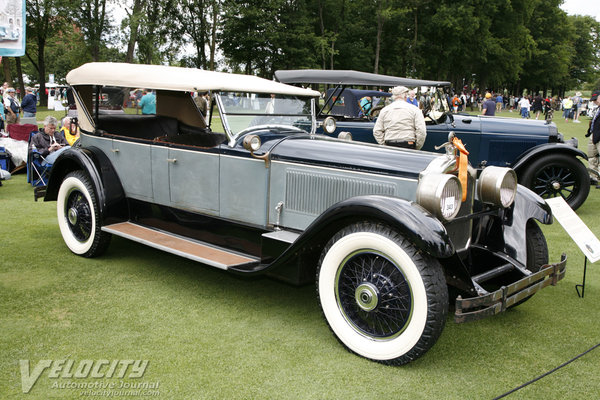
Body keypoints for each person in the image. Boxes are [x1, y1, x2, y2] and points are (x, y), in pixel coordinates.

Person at [373, 85, 426, 150]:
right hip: (409, 143)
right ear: (405, 96)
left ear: (393, 97)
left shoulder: (384, 110)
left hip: (390, 143)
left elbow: (377, 131)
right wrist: (417, 147)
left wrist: (384, 144)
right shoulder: (414, 109)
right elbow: (421, 131)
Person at [586, 90, 600, 185]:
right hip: (593, 135)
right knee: (591, 157)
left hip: (598, 136)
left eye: (596, 99)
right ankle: (593, 177)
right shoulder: (597, 109)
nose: (595, 101)